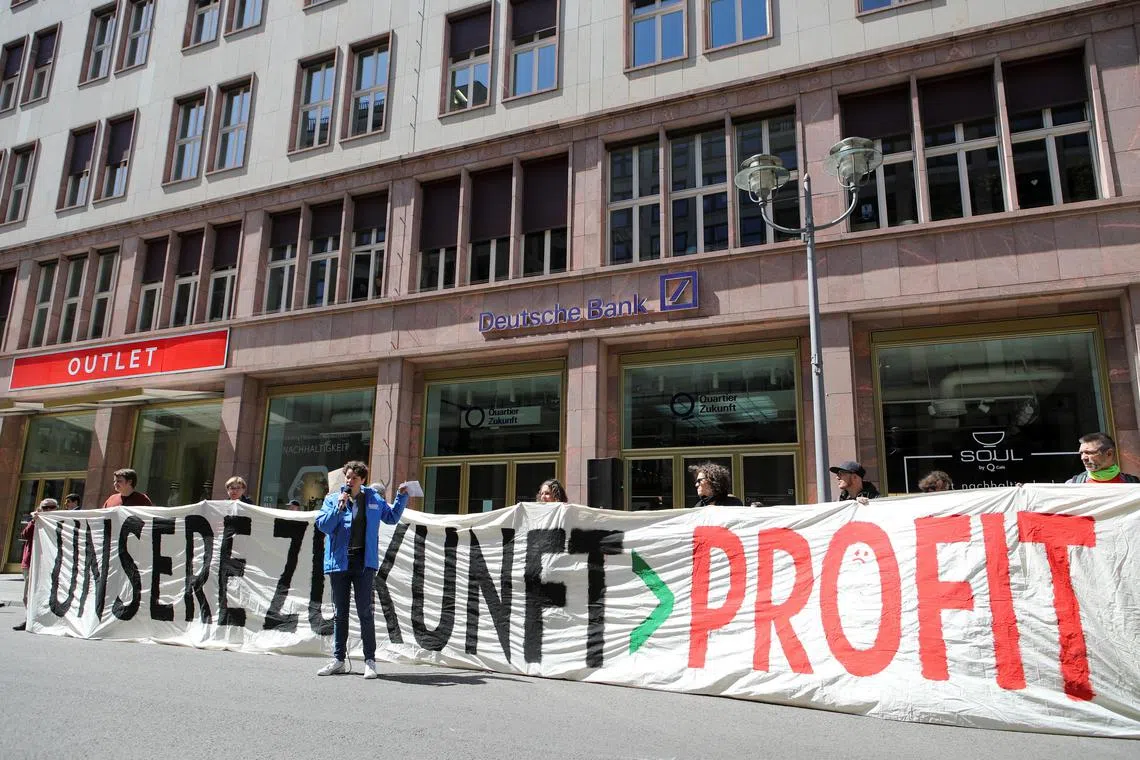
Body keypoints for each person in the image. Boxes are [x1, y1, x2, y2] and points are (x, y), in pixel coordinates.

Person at [314, 460, 408, 679]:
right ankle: (338, 659)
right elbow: (324, 526)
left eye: (354, 478)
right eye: (347, 477)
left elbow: (392, 517)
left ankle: (370, 660)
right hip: (339, 563)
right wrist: (339, 507)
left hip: (364, 563)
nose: (349, 481)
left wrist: (401, 497)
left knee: (365, 612)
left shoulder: (374, 498)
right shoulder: (332, 499)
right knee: (340, 615)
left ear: (363, 480)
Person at [14, 498, 58, 630]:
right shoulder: (35, 521)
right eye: (45, 508)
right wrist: (34, 521)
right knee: (27, 595)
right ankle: (29, 619)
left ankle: (44, 620)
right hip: (31, 563)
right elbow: (25, 535)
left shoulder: (59, 522)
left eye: (51, 508)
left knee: (47, 594)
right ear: (40, 508)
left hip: (49, 564)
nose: (48, 510)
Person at [1066, 432, 1140, 484]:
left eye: (1089, 452)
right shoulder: (1074, 485)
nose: (1083, 458)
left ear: (1109, 454)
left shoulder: (1133, 484)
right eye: (1081, 453)